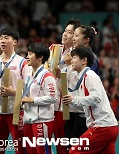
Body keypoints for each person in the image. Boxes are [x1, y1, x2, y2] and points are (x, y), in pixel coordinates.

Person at [62, 47, 118, 154]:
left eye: (74, 57)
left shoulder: (90, 76)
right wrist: (71, 100)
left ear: (84, 60)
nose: (71, 60)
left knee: (74, 151)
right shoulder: (84, 78)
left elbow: (96, 98)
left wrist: (74, 99)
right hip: (109, 126)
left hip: (102, 127)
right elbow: (86, 103)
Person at [0, 27, 30, 154]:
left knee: (21, 149)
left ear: (15, 42)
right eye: (1, 38)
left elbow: (29, 90)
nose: (2, 41)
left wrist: (14, 92)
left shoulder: (23, 63)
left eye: (6, 38)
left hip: (16, 111)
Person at [48, 19, 82, 153]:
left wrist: (65, 68)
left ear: (76, 37)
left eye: (70, 32)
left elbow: (76, 83)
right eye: (65, 31)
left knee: (63, 146)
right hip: (49, 105)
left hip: (65, 108)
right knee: (44, 144)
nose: (65, 34)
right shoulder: (53, 49)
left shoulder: (78, 56)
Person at [21, 43, 58, 154]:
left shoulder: (47, 76)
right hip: (28, 120)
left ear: (40, 57)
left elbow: (53, 97)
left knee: (43, 152)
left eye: (31, 54)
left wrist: (33, 100)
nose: (27, 57)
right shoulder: (29, 75)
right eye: (27, 53)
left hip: (42, 121)